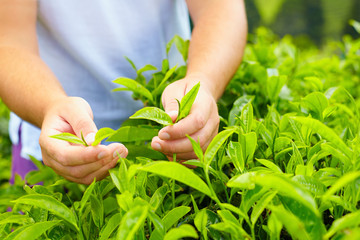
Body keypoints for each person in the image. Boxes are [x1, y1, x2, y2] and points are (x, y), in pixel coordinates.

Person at [0, 0, 247, 184]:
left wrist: (203, 81)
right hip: (54, 137)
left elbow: (220, 9)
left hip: (171, 127)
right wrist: (49, 106)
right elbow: (9, 41)